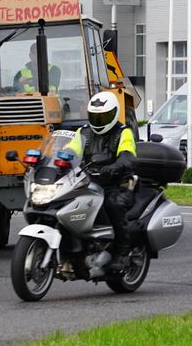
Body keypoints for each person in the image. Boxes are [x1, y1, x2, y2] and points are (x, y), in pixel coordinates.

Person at [69, 91, 137, 270]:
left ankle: (123, 253)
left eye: (104, 116)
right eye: (95, 117)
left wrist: (115, 166)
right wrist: (60, 160)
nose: (99, 121)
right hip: (88, 182)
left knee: (112, 205)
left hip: (116, 184)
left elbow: (128, 156)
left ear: (114, 114)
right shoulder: (82, 132)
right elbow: (70, 151)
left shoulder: (123, 133)